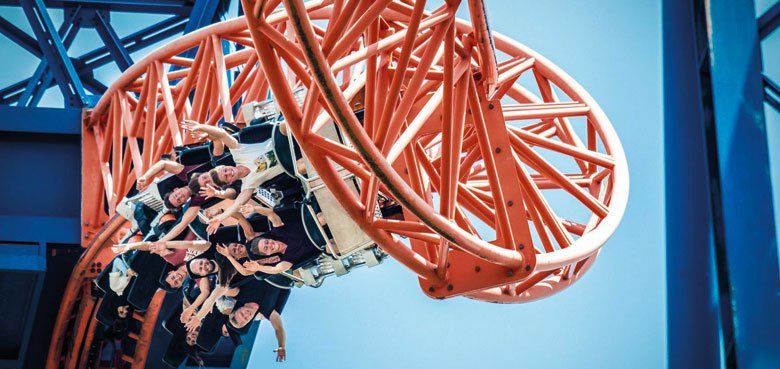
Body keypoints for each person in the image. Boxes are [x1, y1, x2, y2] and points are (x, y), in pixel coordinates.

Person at [180, 120, 289, 233]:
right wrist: (221, 217)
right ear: (229, 182)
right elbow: (236, 204)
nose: (229, 172)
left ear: (225, 166)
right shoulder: (249, 184)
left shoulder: (237, 152)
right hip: (292, 160)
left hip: (281, 138)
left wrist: (201, 126)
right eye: (226, 176)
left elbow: (221, 135)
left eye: (226, 170)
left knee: (283, 126)